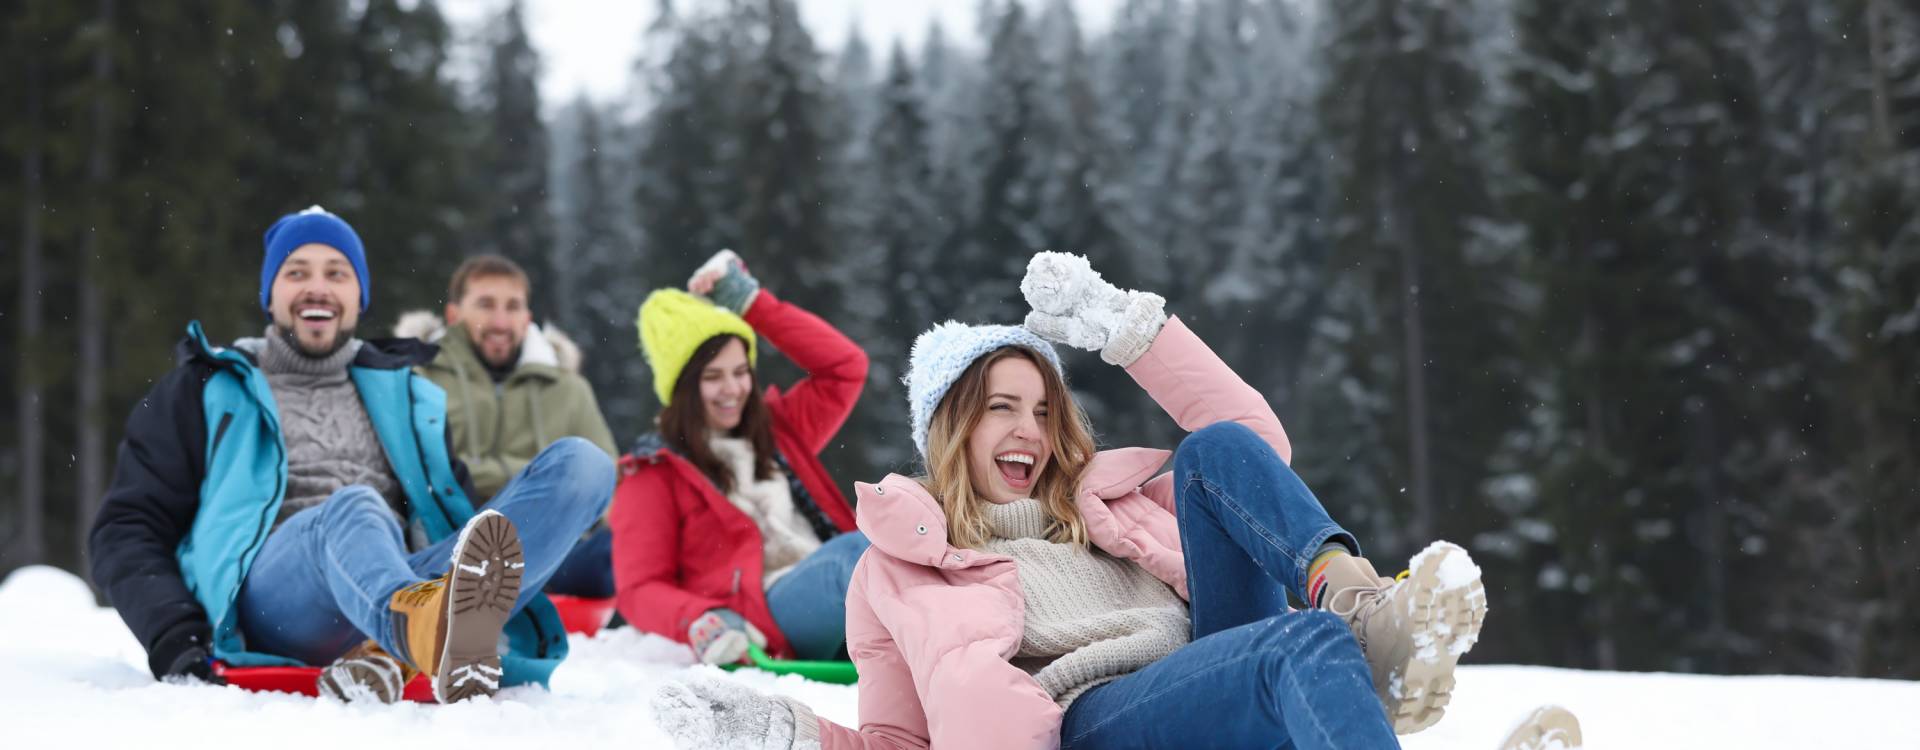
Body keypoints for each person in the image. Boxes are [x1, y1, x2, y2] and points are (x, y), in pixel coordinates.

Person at [650, 252, 1579, 750]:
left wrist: (1129, 330)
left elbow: (1256, 448)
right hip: (1095, 718)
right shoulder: (897, 573)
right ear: (950, 432)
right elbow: (901, 747)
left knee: (1221, 454)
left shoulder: (1108, 503)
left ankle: (1359, 600)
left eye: (1044, 408)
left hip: (1201, 663)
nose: (1029, 429)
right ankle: (1347, 652)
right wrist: (788, 732)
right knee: (1299, 649)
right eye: (1000, 409)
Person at [87, 206, 614, 705]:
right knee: (356, 506)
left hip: (403, 577)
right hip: (278, 599)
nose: (318, 285)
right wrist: (175, 634)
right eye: (297, 272)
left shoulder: (410, 396)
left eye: (338, 273)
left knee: (583, 465)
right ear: (269, 295)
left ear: (360, 296)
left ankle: (403, 641)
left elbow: (462, 517)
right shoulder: (207, 388)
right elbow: (128, 525)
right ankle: (421, 631)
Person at [610, 250, 872, 664]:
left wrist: (751, 305)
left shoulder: (779, 434)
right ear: (682, 389)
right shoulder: (653, 473)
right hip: (766, 612)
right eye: (712, 377)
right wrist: (701, 619)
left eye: (740, 371)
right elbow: (638, 588)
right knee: (864, 553)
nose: (731, 389)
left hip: (838, 596)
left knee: (914, 532)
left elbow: (845, 367)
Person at [399, 254, 619, 598]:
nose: (501, 321)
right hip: (450, 544)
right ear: (454, 315)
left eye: (513, 306)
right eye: (485, 305)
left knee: (622, 549)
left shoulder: (568, 389)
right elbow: (420, 475)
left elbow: (605, 481)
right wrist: (538, 478)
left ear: (527, 317)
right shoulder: (418, 378)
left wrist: (480, 473)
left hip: (547, 553)